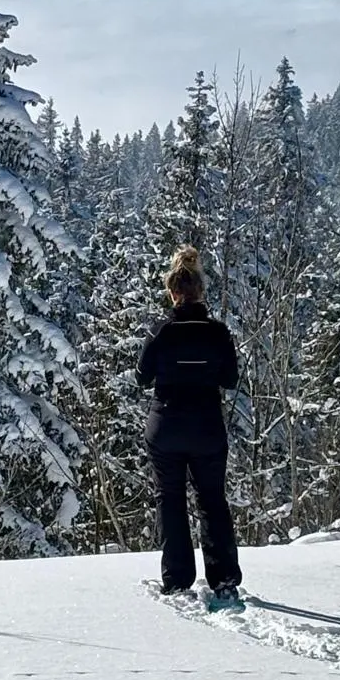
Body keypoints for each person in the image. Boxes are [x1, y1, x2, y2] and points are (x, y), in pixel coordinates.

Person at [136, 245, 243, 603]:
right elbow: (230, 379)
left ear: (172, 292)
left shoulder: (161, 330)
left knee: (170, 499)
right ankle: (224, 578)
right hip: (207, 425)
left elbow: (141, 376)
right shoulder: (219, 332)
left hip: (165, 423)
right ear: (201, 292)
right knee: (212, 499)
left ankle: (178, 579)